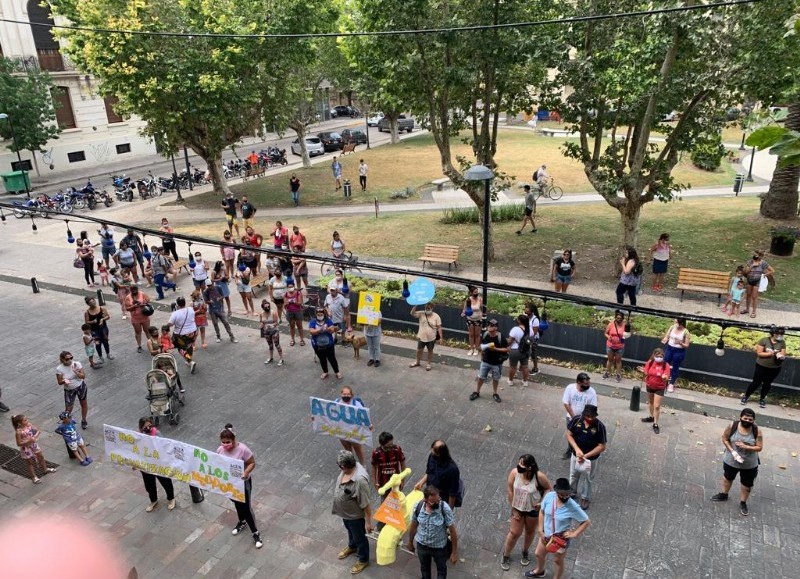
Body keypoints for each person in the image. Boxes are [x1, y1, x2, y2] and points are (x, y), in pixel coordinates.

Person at [525, 479, 590, 579]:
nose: (565, 497)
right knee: (538, 554)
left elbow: (586, 521)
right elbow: (542, 512)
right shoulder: (549, 497)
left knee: (558, 561)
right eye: (562, 494)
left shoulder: (573, 506)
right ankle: (540, 571)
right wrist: (540, 530)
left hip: (559, 539)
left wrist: (574, 533)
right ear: (556, 492)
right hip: (545, 535)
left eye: (567, 494)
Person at [500, 454, 552, 570]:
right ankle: (506, 555)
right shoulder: (514, 473)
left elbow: (548, 488)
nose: (519, 466)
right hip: (518, 508)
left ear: (529, 467)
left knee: (529, 531)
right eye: (519, 463)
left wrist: (542, 502)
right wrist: (513, 509)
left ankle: (525, 551)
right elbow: (510, 490)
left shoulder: (539, 476)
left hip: (533, 510)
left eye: (522, 464)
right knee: (514, 533)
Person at [710, 409, 763, 516]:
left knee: (747, 484)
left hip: (749, 464)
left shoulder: (757, 430)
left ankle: (743, 502)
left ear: (753, 420)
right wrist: (733, 452)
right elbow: (725, 439)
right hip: (731, 460)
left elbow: (759, 447)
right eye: (745, 418)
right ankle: (724, 494)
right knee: (727, 478)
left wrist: (746, 446)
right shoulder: (732, 426)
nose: (747, 421)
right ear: (740, 418)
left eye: (750, 419)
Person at [217, 424, 263, 548]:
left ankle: (255, 532)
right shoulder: (220, 450)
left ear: (233, 440)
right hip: (229, 484)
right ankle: (241, 521)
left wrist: (246, 472)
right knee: (237, 504)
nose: (225, 444)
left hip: (243, 483)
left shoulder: (243, 449)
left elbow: (252, 462)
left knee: (246, 507)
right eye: (223, 442)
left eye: (228, 442)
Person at [332, 450, 372, 575]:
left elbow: (366, 502)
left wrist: (368, 522)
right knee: (350, 531)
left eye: (340, 466)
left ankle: (363, 559)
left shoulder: (360, 481)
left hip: (355, 516)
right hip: (345, 513)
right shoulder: (346, 470)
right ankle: (352, 546)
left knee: (360, 537)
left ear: (344, 466)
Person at [407, 484, 459, 579]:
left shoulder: (444, 508)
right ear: (426, 499)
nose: (436, 503)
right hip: (422, 546)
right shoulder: (418, 507)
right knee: (425, 570)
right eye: (433, 502)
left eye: (438, 500)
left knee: (441, 570)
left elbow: (453, 531)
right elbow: (413, 526)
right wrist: (410, 541)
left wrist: (454, 552)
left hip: (439, 548)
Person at [565, 404, 606, 509]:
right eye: (588, 416)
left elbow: (602, 446)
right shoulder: (576, 420)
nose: (590, 419)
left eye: (592, 417)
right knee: (573, 475)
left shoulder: (599, 427)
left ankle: (585, 497)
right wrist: (577, 449)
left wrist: (586, 455)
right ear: (584, 415)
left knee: (588, 478)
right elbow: (568, 434)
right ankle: (571, 493)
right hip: (576, 455)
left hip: (591, 459)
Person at [134, 417, 177, 512]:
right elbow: (136, 449)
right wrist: (135, 463)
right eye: (145, 426)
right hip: (146, 464)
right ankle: (153, 500)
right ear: (141, 427)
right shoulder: (139, 435)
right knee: (149, 484)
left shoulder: (157, 433)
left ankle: (171, 498)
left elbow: (164, 446)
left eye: (149, 425)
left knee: (165, 481)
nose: (148, 428)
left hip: (158, 463)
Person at [741, 326, 786, 408]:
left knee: (767, 384)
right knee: (756, 382)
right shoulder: (764, 340)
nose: (780, 336)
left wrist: (780, 356)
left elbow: (783, 353)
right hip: (761, 366)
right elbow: (759, 353)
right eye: (778, 334)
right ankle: (746, 396)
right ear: (773, 334)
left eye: (781, 334)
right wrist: (770, 353)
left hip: (775, 368)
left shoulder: (782, 342)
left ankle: (762, 398)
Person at [470, 319, 510, 403]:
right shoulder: (485, 334)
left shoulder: (500, 336)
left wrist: (495, 349)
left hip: (497, 363)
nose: (489, 327)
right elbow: (481, 346)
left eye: (491, 325)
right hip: (485, 361)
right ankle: (477, 391)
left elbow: (507, 349)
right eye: (488, 325)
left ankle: (495, 393)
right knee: (481, 377)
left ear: (496, 327)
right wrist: (480, 349)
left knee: (496, 378)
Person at [560, 372, 597, 459]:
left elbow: (592, 408)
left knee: (582, 436)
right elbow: (566, 403)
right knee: (571, 435)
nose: (588, 385)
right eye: (585, 384)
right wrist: (574, 417)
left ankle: (581, 451)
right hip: (571, 418)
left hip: (584, 420)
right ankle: (570, 450)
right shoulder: (570, 388)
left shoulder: (592, 392)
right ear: (579, 382)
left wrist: (583, 419)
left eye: (589, 383)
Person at [414, 440, 460, 509]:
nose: (431, 452)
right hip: (429, 494)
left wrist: (449, 510)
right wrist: (421, 482)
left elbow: (452, 493)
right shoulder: (432, 456)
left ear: (440, 454)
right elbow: (429, 472)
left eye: (434, 451)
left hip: (441, 500)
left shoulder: (452, 470)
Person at [12, 414, 57, 484]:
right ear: (19, 423)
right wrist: (28, 441)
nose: (27, 421)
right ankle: (34, 477)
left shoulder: (29, 425)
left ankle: (45, 469)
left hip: (34, 445)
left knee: (41, 457)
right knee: (30, 462)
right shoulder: (18, 432)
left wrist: (34, 437)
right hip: (26, 448)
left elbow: (38, 431)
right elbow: (18, 443)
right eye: (25, 420)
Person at [370, 431, 406, 517]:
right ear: (381, 444)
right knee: (385, 501)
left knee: (397, 500)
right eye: (387, 447)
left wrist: (403, 480)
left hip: (396, 482)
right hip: (383, 483)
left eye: (391, 445)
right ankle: (386, 517)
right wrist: (375, 482)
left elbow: (403, 463)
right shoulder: (376, 453)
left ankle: (396, 516)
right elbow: (374, 467)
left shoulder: (397, 449)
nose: (390, 448)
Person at [335, 387, 369, 464]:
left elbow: (363, 416)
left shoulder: (356, 404)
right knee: (347, 448)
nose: (346, 396)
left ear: (351, 395)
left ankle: (363, 464)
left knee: (358, 449)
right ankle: (351, 463)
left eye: (348, 394)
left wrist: (368, 425)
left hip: (354, 431)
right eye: (344, 394)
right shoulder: (336, 402)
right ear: (341, 394)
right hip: (342, 430)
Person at [56, 351, 89, 429]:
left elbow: (83, 376)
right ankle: (66, 423)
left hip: (80, 386)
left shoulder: (77, 364)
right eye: (67, 359)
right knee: (68, 407)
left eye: (71, 358)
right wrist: (64, 380)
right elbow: (59, 382)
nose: (70, 360)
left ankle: (84, 420)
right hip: (69, 389)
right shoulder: (59, 369)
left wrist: (75, 371)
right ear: (62, 359)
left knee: (83, 403)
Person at [640, 348, 670, 434]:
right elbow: (646, 373)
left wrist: (664, 377)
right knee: (650, 402)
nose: (659, 358)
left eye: (661, 356)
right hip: (650, 385)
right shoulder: (650, 363)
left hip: (659, 387)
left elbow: (667, 377)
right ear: (654, 356)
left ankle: (655, 424)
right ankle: (651, 416)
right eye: (657, 356)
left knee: (657, 406)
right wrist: (642, 371)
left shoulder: (665, 365)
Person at [167, 296, 198, 374]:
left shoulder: (175, 313)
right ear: (184, 303)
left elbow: (170, 324)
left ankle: (190, 361)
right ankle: (189, 360)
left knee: (180, 348)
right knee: (190, 345)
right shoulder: (190, 309)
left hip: (181, 335)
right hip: (193, 332)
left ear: (177, 304)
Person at [309, 306, 341, 380]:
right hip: (317, 344)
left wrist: (328, 329)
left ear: (324, 314)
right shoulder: (313, 321)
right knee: (322, 358)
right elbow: (311, 331)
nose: (320, 316)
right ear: (316, 314)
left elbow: (332, 330)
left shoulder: (328, 321)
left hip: (329, 343)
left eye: (321, 314)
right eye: (318, 314)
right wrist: (319, 330)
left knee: (332, 358)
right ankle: (325, 372)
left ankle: (337, 372)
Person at [410, 304, 443, 372]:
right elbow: (412, 313)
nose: (427, 309)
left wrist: (441, 338)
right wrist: (415, 306)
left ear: (432, 308)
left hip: (431, 338)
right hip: (422, 337)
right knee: (419, 350)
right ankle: (417, 362)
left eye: (428, 308)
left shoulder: (436, 316)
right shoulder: (421, 313)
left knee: (430, 351)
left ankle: (428, 364)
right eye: (426, 308)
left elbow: (439, 327)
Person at [661, 317, 690, 393]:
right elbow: (667, 336)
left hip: (679, 351)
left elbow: (687, 345)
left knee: (675, 367)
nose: (675, 324)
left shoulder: (686, 332)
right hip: (670, 348)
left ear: (681, 323)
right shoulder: (672, 327)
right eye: (675, 322)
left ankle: (671, 383)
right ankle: (664, 380)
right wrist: (665, 339)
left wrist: (680, 343)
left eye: (677, 322)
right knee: (665, 363)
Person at [742, 250, 774, 318]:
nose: (754, 256)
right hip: (749, 280)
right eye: (754, 254)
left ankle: (754, 312)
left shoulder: (763, 263)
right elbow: (746, 272)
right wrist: (752, 265)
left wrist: (765, 274)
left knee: (754, 297)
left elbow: (772, 270)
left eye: (756, 255)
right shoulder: (750, 262)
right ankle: (747, 309)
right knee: (748, 295)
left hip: (757, 282)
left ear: (760, 256)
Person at [204, 279, 237, 343]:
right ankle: (218, 336)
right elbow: (205, 300)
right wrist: (209, 302)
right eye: (208, 286)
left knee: (226, 322)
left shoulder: (218, 287)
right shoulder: (205, 292)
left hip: (220, 308)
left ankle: (232, 336)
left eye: (210, 285)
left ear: (213, 283)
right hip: (212, 310)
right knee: (215, 323)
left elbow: (223, 295)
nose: (210, 287)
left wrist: (220, 298)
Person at [84, 296, 112, 363]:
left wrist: (103, 319)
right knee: (97, 343)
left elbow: (108, 316)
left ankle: (108, 354)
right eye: (90, 302)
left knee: (105, 341)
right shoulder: (87, 312)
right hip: (94, 330)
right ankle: (100, 357)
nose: (93, 303)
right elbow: (86, 322)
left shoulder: (101, 308)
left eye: (93, 301)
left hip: (103, 328)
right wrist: (92, 322)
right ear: (88, 304)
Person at [125, 285, 152, 353]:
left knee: (147, 331)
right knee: (138, 332)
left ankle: (152, 344)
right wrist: (134, 306)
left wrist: (143, 303)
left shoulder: (142, 294)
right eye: (133, 290)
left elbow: (148, 302)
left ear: (137, 289)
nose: (134, 291)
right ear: (131, 290)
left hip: (144, 316)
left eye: (135, 290)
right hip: (135, 318)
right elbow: (127, 308)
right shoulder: (128, 297)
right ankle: (139, 346)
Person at [507, 314, 531, 387]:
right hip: (526, 350)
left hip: (515, 350)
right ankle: (525, 381)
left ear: (520, 321)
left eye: (518, 319)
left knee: (513, 367)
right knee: (525, 366)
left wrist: (508, 346)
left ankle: (510, 380)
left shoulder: (515, 329)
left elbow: (510, 340)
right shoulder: (530, 329)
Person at [259, 299, 284, 366]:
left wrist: (271, 325)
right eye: (266, 307)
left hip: (274, 331)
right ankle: (271, 357)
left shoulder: (273, 313)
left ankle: (281, 358)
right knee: (270, 345)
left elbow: (277, 322)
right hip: (266, 332)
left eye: (268, 307)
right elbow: (261, 322)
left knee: (277, 344)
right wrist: (261, 325)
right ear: (263, 308)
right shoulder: (261, 314)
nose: (267, 308)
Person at [603, 310, 626, 382]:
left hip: (619, 346)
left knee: (618, 361)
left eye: (620, 318)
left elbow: (628, 334)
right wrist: (608, 337)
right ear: (615, 318)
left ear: (622, 319)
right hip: (610, 345)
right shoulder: (611, 324)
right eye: (617, 318)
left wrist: (624, 338)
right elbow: (605, 333)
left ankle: (618, 374)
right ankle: (607, 372)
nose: (619, 319)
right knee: (610, 360)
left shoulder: (625, 325)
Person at [461, 287, 483, 356]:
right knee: (471, 334)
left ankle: (476, 348)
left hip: (478, 319)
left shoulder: (480, 299)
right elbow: (464, 309)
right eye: (475, 292)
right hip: (470, 319)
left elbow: (483, 309)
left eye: (477, 292)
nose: (476, 293)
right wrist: (463, 313)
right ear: (471, 293)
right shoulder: (468, 300)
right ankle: (471, 349)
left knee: (477, 335)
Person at [283, 280, 305, 346]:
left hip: (298, 311)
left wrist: (294, 302)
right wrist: (287, 303)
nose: (290, 288)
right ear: (287, 287)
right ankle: (292, 339)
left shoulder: (298, 293)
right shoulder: (286, 294)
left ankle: (302, 339)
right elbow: (285, 305)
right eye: (289, 287)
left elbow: (300, 303)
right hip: (290, 312)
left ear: (294, 286)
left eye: (291, 287)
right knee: (291, 326)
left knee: (299, 326)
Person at [524, 303, 541, 375]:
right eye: (525, 307)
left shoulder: (535, 320)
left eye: (527, 308)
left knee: (533, 353)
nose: (525, 309)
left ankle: (535, 368)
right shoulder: (525, 316)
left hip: (533, 339)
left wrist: (529, 340)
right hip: (525, 337)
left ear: (531, 311)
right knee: (524, 352)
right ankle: (523, 366)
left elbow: (534, 332)